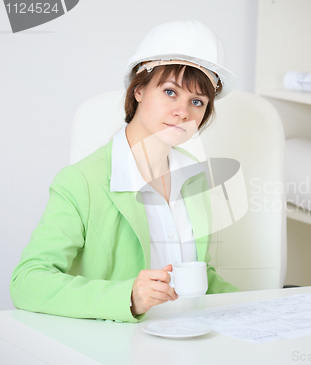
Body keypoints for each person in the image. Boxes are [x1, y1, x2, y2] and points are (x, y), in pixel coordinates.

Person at [10, 20, 239, 323]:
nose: (183, 111)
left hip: (190, 336)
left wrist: (259, 306)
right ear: (140, 90)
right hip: (116, 345)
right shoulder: (81, 181)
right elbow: (26, 282)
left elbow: (196, 269)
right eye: (170, 92)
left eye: (197, 101)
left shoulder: (194, 175)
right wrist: (128, 297)